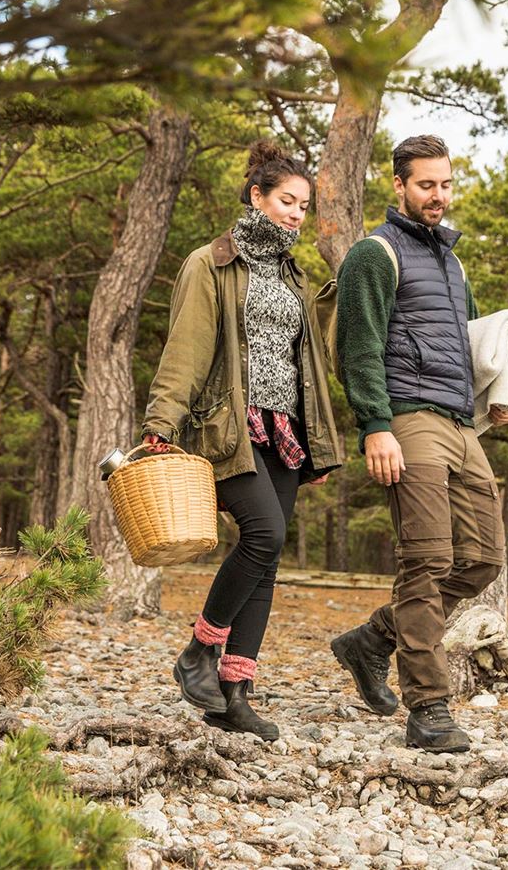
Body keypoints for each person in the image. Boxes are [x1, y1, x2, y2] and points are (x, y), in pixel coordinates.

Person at [142, 140, 341, 741]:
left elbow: (309, 359)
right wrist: (161, 422)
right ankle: (198, 652)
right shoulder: (212, 262)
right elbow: (189, 346)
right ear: (257, 196)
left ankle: (234, 692)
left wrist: (320, 439)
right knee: (265, 534)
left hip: (284, 428)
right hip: (228, 423)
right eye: (287, 201)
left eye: (304, 206)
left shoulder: (292, 274)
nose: (296, 215)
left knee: (271, 556)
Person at [330, 135, 508, 753]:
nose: (438, 196)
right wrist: (375, 425)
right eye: (426, 185)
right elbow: (358, 348)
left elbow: (462, 342)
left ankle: (373, 640)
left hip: (463, 423)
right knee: (428, 559)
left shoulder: (453, 263)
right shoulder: (374, 253)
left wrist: (494, 390)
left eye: (445, 184)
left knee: (483, 559)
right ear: (399, 186)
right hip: (407, 419)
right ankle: (429, 707)